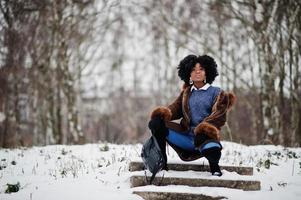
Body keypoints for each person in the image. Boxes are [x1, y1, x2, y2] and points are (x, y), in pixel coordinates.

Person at [148, 54, 236, 176]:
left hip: (205, 140)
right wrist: (161, 115)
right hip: (185, 138)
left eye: (201, 69)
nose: (197, 72)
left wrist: (203, 130)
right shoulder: (186, 93)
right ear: (188, 73)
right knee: (158, 124)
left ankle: (215, 170)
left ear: (207, 72)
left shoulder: (217, 92)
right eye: (193, 70)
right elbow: (174, 109)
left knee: (213, 149)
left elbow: (218, 116)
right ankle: (162, 165)